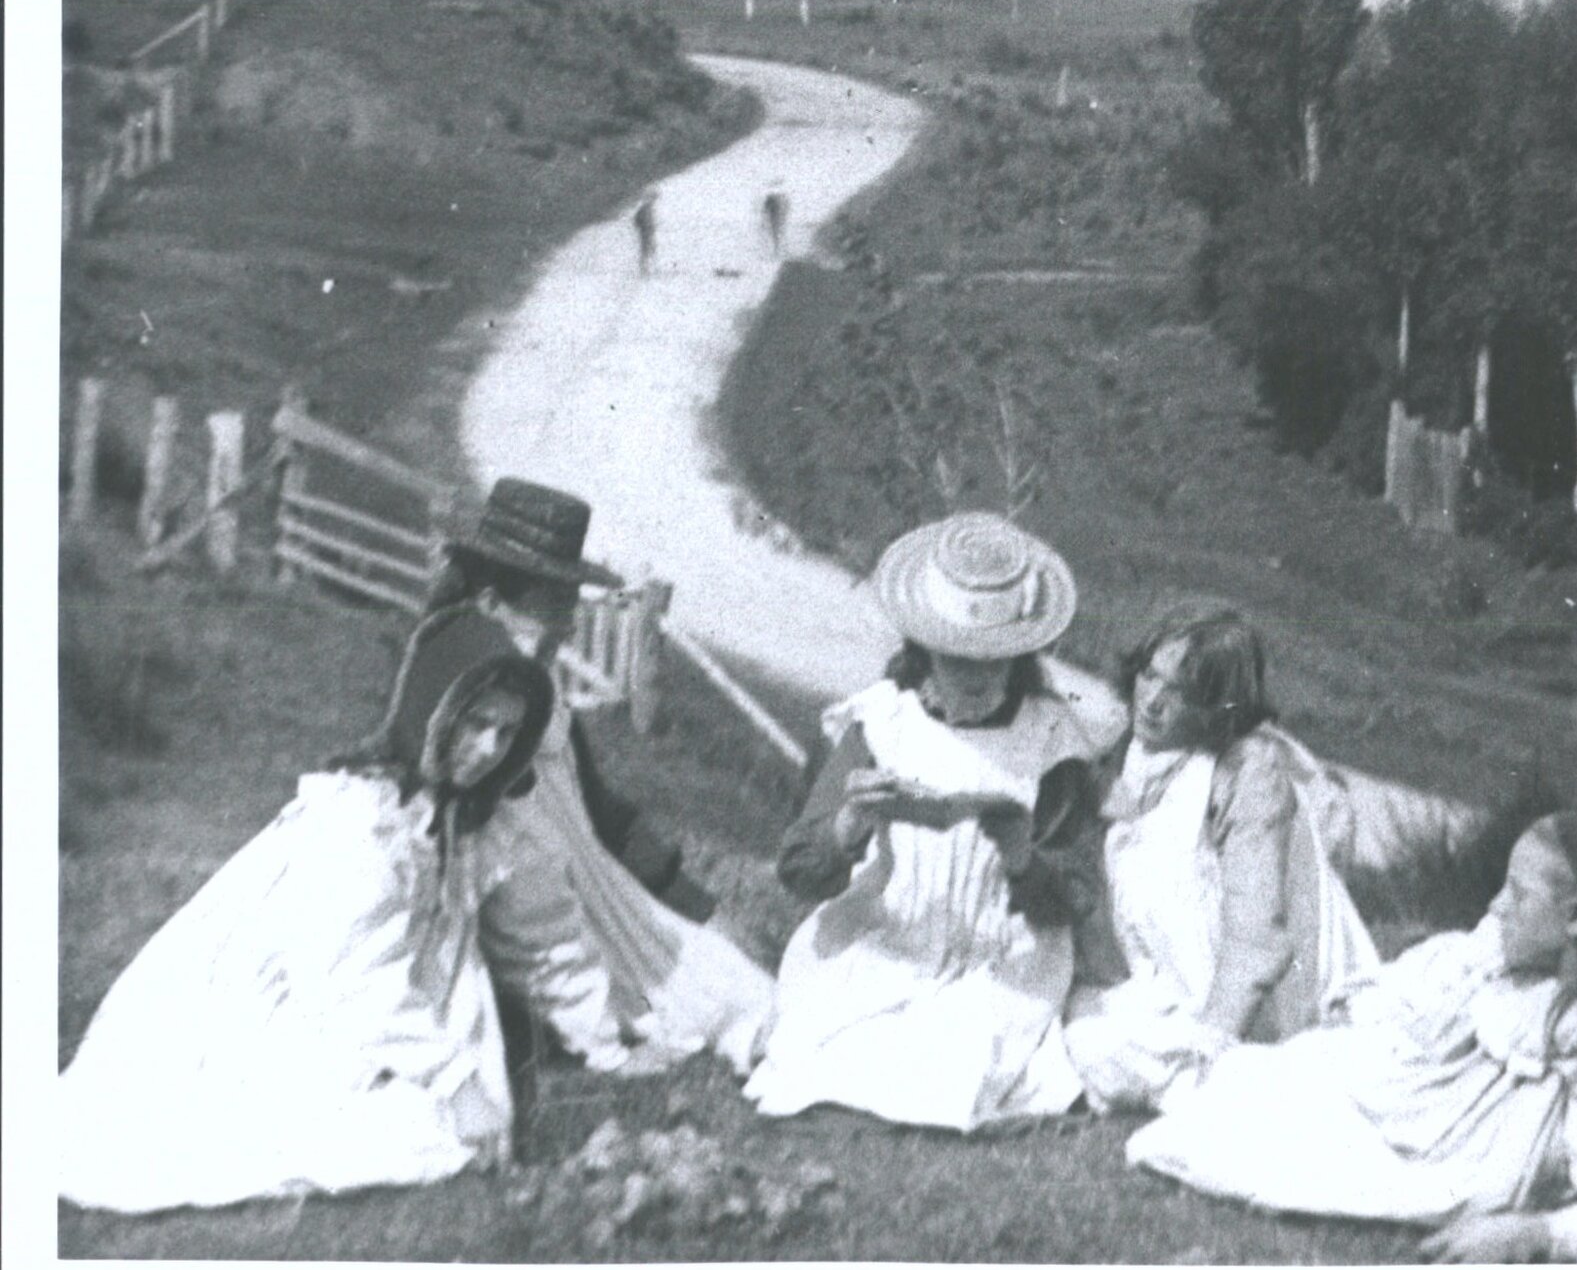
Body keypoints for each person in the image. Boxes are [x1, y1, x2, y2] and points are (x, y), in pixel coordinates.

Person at [58, 606, 643, 1215]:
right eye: (475, 724)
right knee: (417, 1129)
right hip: (291, 998)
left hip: (375, 998)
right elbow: (349, 980)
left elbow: (541, 940)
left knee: (455, 1118)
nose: (490, 749)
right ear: (431, 716)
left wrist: (604, 1042)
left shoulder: (464, 823)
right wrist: (457, 1081)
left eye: (506, 733)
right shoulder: (363, 824)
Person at [1125, 811, 1577, 1263]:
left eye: (1517, 894)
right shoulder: (1504, 948)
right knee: (1238, 1081)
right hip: (1410, 1097)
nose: (1497, 904)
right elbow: (1427, 991)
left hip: (1461, 1156)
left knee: (1234, 1140)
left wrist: (1530, 1234)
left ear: (1575, 920)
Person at [745, 510, 1104, 1131]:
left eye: (994, 662)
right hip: (891, 932)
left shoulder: (1050, 739)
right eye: (956, 660)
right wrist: (852, 821)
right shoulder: (884, 722)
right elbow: (801, 871)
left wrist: (1022, 858)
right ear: (924, 653)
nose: (974, 678)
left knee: (951, 1064)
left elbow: (1075, 899)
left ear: (1020, 660)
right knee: (826, 1050)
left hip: (1000, 955)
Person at [425, 479, 776, 1076]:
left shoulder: (545, 693)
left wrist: (701, 908)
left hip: (604, 906)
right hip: (515, 926)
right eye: (552, 604)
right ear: (488, 603)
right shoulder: (447, 707)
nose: (567, 623)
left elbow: (603, 815)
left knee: (748, 993)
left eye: (570, 602)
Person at [1063, 604, 1379, 1112]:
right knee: (1069, 1037)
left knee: (1216, 1089)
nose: (1154, 701)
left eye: (1183, 692)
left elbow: (1260, 943)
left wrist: (1211, 1048)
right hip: (1175, 991)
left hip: (1264, 1005)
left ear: (1220, 707)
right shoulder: (1134, 751)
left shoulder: (1250, 769)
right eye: (1149, 675)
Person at [632, 192, 657, 276]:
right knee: (646, 249)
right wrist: (644, 227)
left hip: (647, 231)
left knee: (648, 249)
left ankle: (647, 267)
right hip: (645, 232)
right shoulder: (645, 209)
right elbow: (639, 220)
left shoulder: (647, 209)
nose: (653, 201)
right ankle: (644, 268)